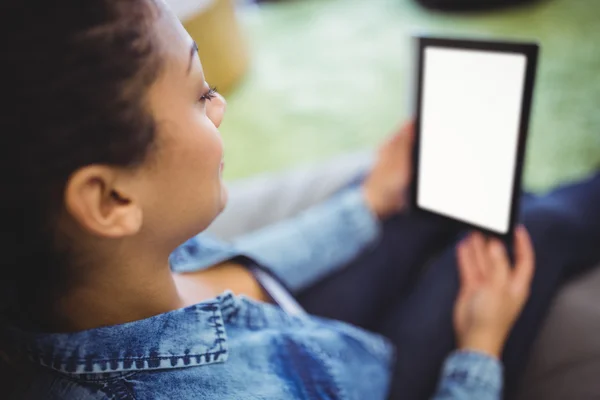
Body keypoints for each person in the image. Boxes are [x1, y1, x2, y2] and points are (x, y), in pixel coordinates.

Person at [2, 1, 599, 399]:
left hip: (305, 332)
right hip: (378, 381)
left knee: (422, 190)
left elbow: (242, 270)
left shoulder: (95, 277)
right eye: (199, 92)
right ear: (110, 199)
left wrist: (364, 204)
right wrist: (480, 348)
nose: (221, 105)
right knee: (536, 230)